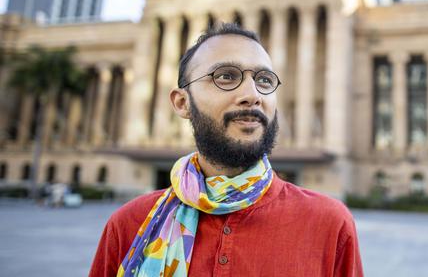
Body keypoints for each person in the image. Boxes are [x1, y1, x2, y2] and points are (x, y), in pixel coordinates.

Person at [89, 23, 363, 276]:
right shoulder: (128, 225)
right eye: (226, 76)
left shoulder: (329, 225)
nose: (253, 94)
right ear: (182, 103)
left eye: (265, 80)